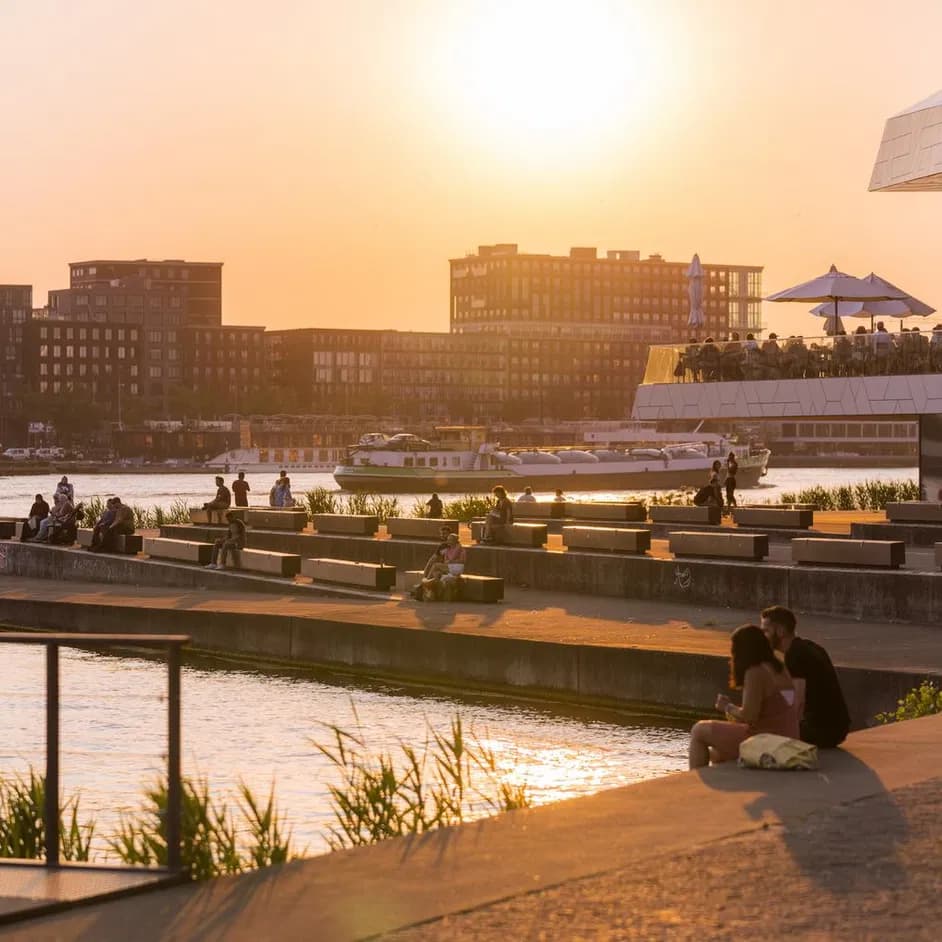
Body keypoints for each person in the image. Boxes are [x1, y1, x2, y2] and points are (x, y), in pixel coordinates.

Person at [689, 624, 799, 768]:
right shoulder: (777, 666)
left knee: (698, 730)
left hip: (768, 740)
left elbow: (749, 716)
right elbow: (764, 712)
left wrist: (727, 707)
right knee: (717, 752)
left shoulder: (755, 672)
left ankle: (693, 782)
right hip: (788, 737)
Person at [760, 605, 850, 748]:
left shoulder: (795, 654)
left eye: (766, 631)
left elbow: (798, 701)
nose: (763, 636)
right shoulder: (810, 647)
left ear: (780, 631)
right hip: (838, 728)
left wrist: (787, 733)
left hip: (821, 731)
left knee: (761, 732)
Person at [420, 533, 467, 601]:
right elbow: (443, 560)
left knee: (436, 565)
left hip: (457, 567)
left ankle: (427, 581)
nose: (448, 542)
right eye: (448, 540)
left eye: (450, 540)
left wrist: (451, 560)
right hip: (450, 567)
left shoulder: (459, 548)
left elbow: (460, 560)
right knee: (436, 573)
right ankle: (431, 593)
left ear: (454, 541)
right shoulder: (448, 548)